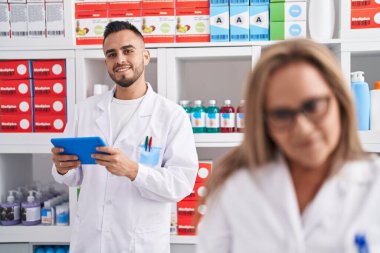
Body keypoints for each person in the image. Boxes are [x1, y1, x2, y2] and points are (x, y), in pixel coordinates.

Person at [196, 39, 380, 253]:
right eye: (282, 114)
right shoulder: (236, 190)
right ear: (264, 123)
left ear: (340, 102)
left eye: (313, 106)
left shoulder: (374, 185)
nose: (302, 127)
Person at [51, 21, 198, 253]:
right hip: (91, 241)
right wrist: (62, 168)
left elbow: (181, 184)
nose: (120, 59)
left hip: (139, 243)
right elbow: (72, 178)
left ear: (146, 56)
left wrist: (133, 171)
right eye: (111, 54)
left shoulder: (172, 115)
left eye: (128, 51)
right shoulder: (85, 111)